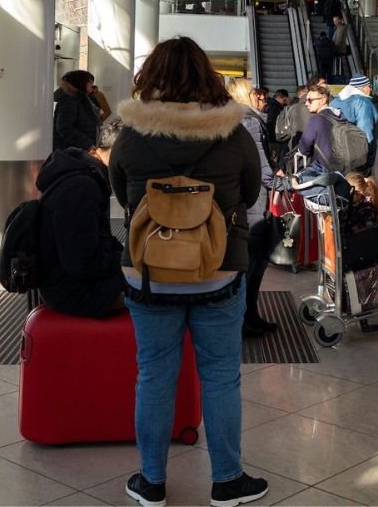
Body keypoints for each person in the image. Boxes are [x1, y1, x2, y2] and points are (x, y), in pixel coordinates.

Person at [109, 38, 268, 507]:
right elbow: (251, 190)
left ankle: (152, 482)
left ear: (150, 76)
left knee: (154, 376)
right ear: (207, 76)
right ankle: (227, 482)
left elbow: (122, 194)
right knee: (221, 376)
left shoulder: (132, 134)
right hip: (217, 269)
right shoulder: (234, 132)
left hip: (150, 271)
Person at [36, 119, 126, 319]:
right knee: (157, 290)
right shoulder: (82, 187)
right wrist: (128, 262)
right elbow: (82, 262)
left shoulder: (84, 173)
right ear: (121, 152)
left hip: (66, 281)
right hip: (73, 291)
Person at [227, 78, 279, 338]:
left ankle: (248, 315)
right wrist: (281, 182)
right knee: (254, 259)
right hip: (256, 198)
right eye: (254, 92)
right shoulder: (249, 121)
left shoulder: (234, 118)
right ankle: (247, 317)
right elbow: (260, 166)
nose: (260, 96)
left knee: (248, 259)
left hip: (241, 195)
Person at [297, 83, 345, 171]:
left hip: (323, 170)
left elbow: (303, 149)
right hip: (344, 168)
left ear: (323, 100)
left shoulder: (316, 120)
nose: (306, 103)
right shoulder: (341, 116)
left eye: (310, 100)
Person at [53, 70, 101, 151]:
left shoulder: (84, 98)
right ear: (80, 82)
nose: (92, 85)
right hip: (71, 151)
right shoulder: (69, 100)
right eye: (89, 82)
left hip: (79, 149)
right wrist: (87, 144)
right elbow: (64, 128)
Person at [333, 74, 378, 157]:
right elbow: (365, 127)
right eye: (369, 86)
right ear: (363, 87)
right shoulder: (363, 102)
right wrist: (368, 150)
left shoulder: (335, 102)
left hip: (337, 149)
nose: (371, 89)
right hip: (356, 150)